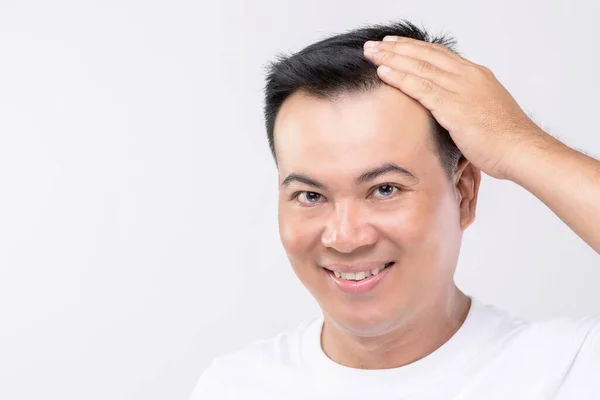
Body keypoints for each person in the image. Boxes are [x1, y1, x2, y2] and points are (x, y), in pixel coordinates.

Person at [191, 21, 600, 399]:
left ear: (464, 193)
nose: (345, 237)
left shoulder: (568, 372)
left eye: (384, 189)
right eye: (311, 196)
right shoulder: (236, 386)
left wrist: (516, 141)